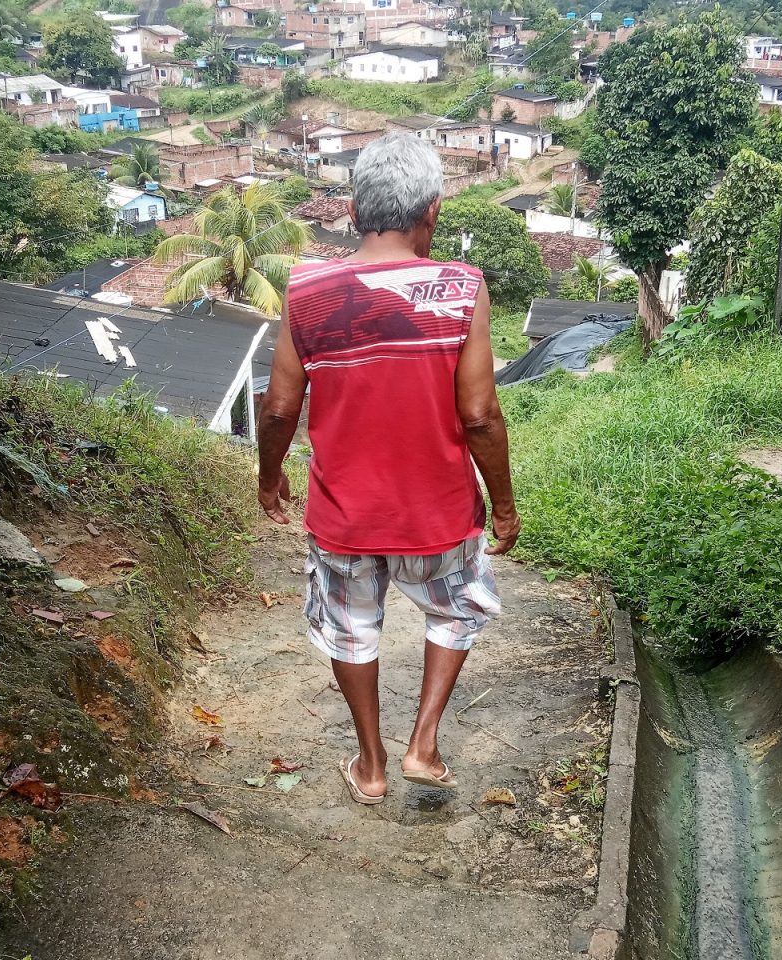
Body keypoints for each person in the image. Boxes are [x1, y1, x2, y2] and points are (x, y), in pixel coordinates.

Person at [256, 133, 520, 806]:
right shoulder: (460, 288)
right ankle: (423, 745)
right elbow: (481, 414)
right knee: (457, 612)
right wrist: (504, 504)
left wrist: (269, 475)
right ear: (431, 212)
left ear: (352, 211)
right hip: (439, 513)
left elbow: (280, 406)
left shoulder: (307, 289)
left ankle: (370, 766)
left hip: (344, 515)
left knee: (352, 630)